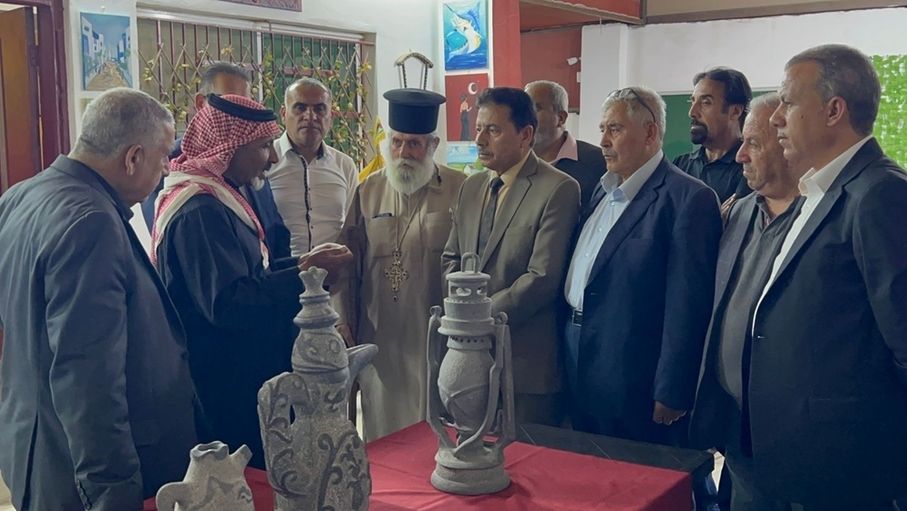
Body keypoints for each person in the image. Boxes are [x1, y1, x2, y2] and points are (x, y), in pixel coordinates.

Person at [0, 88, 198, 510]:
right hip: (77, 470)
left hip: (36, 444)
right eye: (164, 157)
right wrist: (111, 490)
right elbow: (88, 378)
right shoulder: (92, 221)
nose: (167, 168)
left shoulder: (22, 195)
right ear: (133, 158)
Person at [732, 44, 907, 509]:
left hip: (844, 465)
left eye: (788, 103)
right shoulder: (819, 191)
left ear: (834, 111)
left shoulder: (880, 195)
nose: (775, 118)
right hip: (788, 452)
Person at [152, 93, 352, 469]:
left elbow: (251, 272)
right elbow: (228, 304)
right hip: (226, 387)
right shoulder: (199, 210)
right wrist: (305, 275)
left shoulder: (223, 195)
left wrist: (306, 263)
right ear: (230, 149)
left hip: (248, 376)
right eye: (263, 147)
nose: (273, 158)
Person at [563, 86, 720, 447]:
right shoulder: (602, 190)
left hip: (633, 370)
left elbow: (688, 306)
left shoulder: (687, 199)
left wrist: (673, 389)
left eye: (615, 129)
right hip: (578, 350)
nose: (603, 141)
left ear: (650, 132)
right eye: (602, 129)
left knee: (635, 473)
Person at [689, 93, 807, 511]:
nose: (739, 156)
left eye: (753, 144)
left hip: (795, 431)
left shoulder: (823, 218)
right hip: (735, 422)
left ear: (788, 143)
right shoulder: (739, 212)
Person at [442, 87, 580, 426]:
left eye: (493, 130)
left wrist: (479, 316)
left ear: (525, 135)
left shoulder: (557, 188)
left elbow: (542, 277)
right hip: (466, 357)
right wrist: (462, 315)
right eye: (479, 128)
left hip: (524, 363)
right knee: (470, 447)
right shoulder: (472, 187)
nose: (480, 139)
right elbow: (451, 258)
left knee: (524, 455)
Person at [335, 88, 466, 441]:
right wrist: (343, 320)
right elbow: (345, 264)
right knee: (384, 432)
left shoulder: (461, 189)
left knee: (439, 429)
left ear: (433, 145)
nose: (404, 153)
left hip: (440, 336)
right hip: (382, 337)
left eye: (414, 144)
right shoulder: (368, 191)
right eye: (397, 142)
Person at [140, 61, 291, 262]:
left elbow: (273, 231)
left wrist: (300, 270)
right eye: (229, 102)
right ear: (201, 103)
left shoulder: (251, 160)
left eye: (245, 103)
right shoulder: (172, 169)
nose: (240, 114)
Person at [269, 77, 358, 256]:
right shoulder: (266, 162)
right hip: (279, 271)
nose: (310, 117)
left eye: (319, 109)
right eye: (300, 107)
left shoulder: (344, 165)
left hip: (333, 272)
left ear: (331, 117)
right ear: (284, 113)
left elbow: (352, 229)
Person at [674, 67, 753, 205]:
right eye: (692, 101)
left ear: (735, 111)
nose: (692, 112)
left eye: (706, 102)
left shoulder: (750, 168)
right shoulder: (680, 165)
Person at [525, 80, 606, 208]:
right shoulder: (515, 162)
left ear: (561, 118)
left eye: (535, 109)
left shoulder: (599, 162)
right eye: (524, 109)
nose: (525, 117)